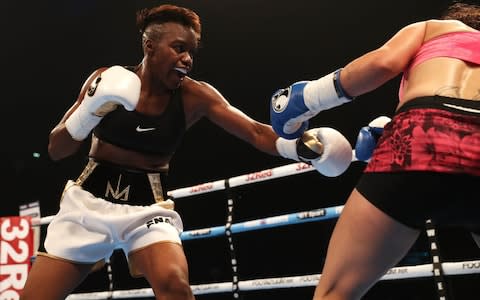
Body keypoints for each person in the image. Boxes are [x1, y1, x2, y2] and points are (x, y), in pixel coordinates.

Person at [20, 4, 354, 300]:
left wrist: (300, 147)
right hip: (87, 205)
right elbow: (56, 149)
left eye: (191, 51)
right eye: (179, 48)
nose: (188, 59)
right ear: (149, 46)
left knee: (175, 284)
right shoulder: (105, 79)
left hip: (146, 210)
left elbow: (254, 131)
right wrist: (90, 111)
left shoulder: (196, 96)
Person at [269, 1, 480, 299]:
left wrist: (307, 98)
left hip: (423, 130)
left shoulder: (435, 28)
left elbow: (382, 63)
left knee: (336, 293)